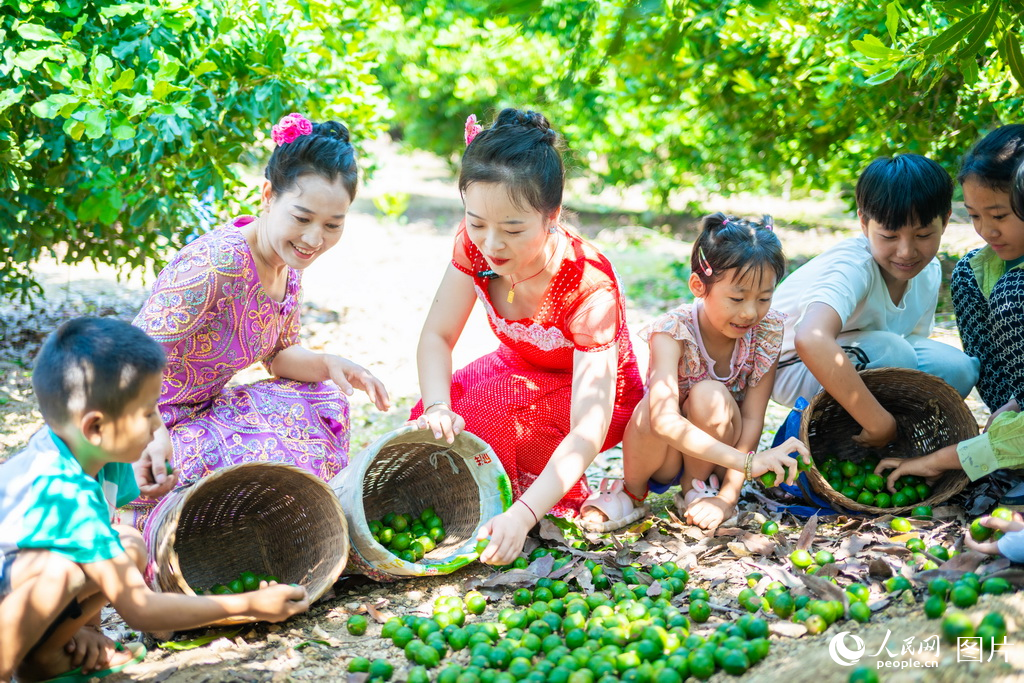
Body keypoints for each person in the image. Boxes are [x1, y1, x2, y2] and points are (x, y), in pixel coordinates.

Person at [0, 318, 308, 683]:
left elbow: (98, 552)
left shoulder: (90, 453)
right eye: (147, 413)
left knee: (126, 542)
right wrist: (249, 606)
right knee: (60, 574)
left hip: (17, 584)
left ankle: (52, 655)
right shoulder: (65, 494)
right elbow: (139, 608)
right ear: (96, 427)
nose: (156, 424)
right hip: (14, 593)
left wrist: (87, 629)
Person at [128, 114, 390, 528]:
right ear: (268, 194)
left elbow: (279, 353)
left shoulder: (288, 263)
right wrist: (153, 433)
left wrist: (330, 364)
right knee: (263, 463)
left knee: (324, 398)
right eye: (301, 218)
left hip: (203, 413)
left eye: (332, 225)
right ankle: (148, 513)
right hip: (143, 428)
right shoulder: (217, 263)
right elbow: (127, 357)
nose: (313, 239)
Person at [412, 109, 644, 565]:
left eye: (513, 228)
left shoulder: (587, 285)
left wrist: (522, 515)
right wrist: (439, 406)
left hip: (590, 396)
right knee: (441, 416)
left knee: (495, 420)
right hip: (515, 367)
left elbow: (588, 429)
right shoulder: (472, 246)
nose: (491, 245)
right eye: (476, 222)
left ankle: (532, 504)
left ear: (552, 215)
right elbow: (437, 336)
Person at [581, 214, 812, 532]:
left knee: (710, 395)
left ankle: (698, 488)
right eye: (737, 298)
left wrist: (729, 497)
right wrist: (748, 464)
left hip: (717, 455)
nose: (750, 312)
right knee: (654, 407)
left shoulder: (767, 330)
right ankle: (633, 492)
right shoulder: (672, 331)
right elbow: (662, 420)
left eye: (764, 299)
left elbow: (754, 417)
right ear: (698, 286)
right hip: (664, 453)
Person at [771, 154, 979, 450]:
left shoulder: (928, 271)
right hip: (791, 366)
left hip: (863, 352)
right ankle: (845, 439)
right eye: (889, 236)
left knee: (958, 368)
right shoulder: (853, 267)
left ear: (944, 221)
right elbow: (810, 339)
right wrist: (878, 422)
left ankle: (893, 441)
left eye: (922, 235)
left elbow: (913, 345)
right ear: (864, 223)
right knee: (894, 354)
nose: (906, 251)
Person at [874, 126, 1024, 490]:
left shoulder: (1014, 290)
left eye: (999, 216)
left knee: (1012, 290)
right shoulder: (980, 270)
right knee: (971, 272)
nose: (987, 230)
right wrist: (1015, 405)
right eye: (974, 216)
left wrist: (943, 459)